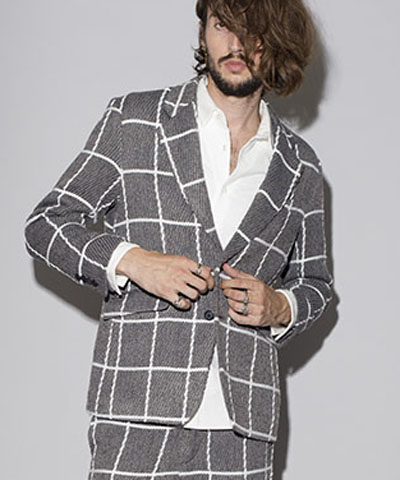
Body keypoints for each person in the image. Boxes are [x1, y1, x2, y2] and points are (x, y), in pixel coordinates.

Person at [24, 0, 333, 478]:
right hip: (138, 408)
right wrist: (132, 260)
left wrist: (280, 306)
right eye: (222, 25)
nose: (236, 44)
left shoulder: (300, 166)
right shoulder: (135, 120)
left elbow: (316, 284)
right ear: (203, 32)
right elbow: (47, 223)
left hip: (243, 426)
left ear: (279, 41)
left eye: (254, 30)